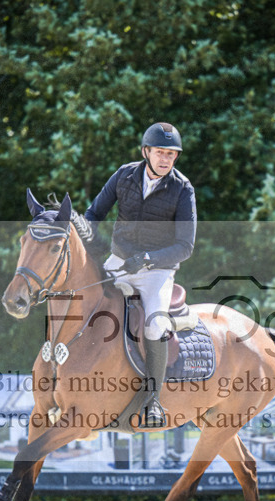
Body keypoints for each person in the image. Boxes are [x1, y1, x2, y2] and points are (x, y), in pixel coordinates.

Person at [84, 122, 197, 428]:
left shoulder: (182, 189)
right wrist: (84, 229)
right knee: (84, 302)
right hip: (119, 262)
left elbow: (185, 246)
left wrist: (149, 259)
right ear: (146, 152)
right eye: (160, 152)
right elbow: (95, 213)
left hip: (156, 273)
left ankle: (153, 400)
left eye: (171, 154)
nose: (166, 159)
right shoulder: (124, 175)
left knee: (156, 324)